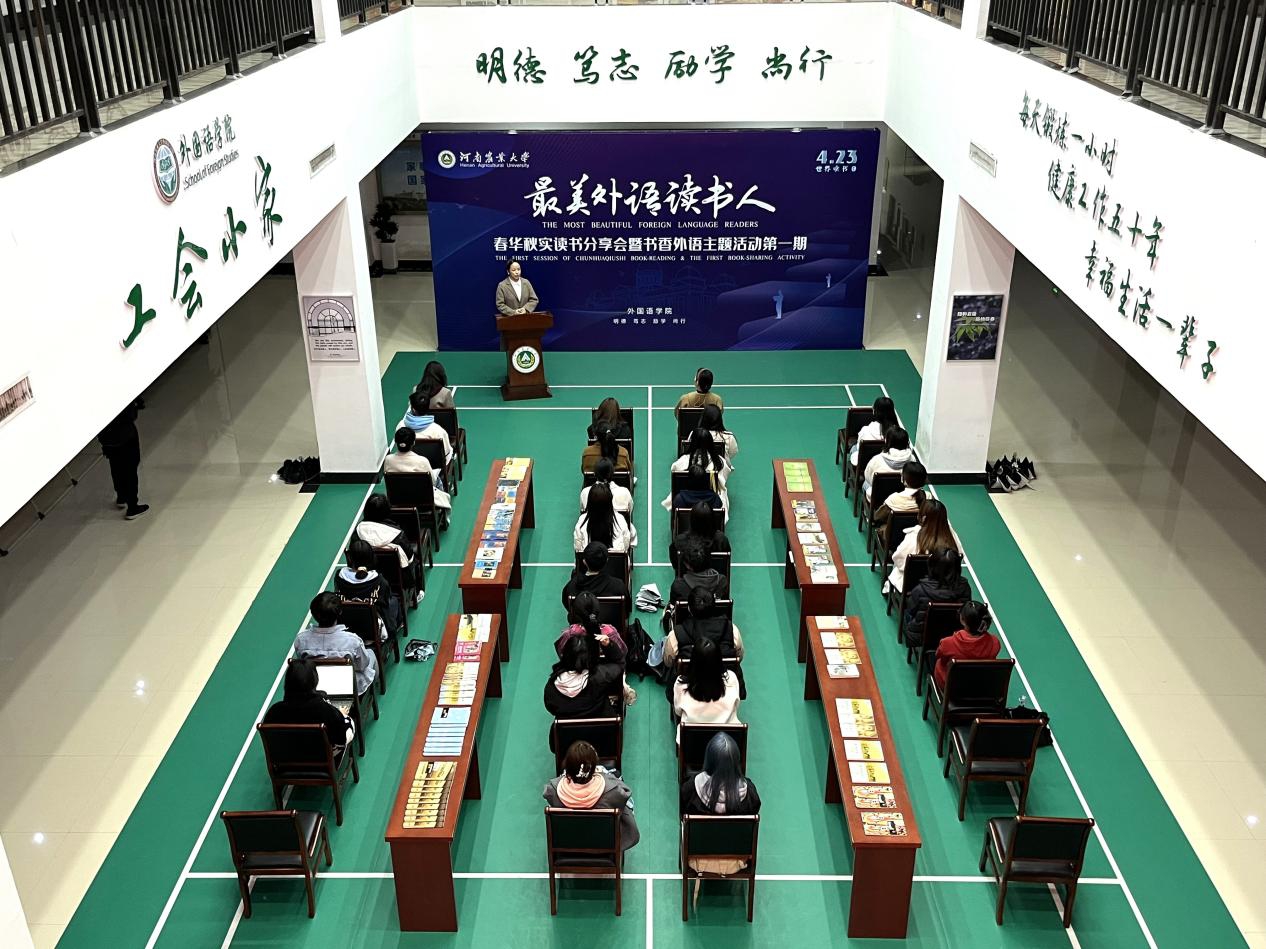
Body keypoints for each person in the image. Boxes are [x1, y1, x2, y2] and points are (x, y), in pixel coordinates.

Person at [543, 740, 640, 850]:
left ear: (567, 767)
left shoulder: (553, 790)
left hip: (569, 844)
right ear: (594, 768)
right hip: (605, 845)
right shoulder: (614, 791)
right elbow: (627, 807)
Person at [293, 592, 378, 696]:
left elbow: (303, 664)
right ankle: (370, 694)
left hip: (315, 685)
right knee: (370, 653)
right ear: (340, 612)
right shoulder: (353, 641)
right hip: (346, 686)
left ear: (313, 614)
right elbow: (362, 665)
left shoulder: (301, 639)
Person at [262, 658, 355, 751]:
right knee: (347, 723)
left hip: (285, 757)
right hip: (320, 756)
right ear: (314, 680)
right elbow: (341, 739)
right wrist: (342, 715)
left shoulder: (273, 712)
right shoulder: (325, 710)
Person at [355, 494, 424, 605]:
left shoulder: (357, 532)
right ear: (387, 511)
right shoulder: (397, 534)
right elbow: (409, 557)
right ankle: (417, 592)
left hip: (368, 578)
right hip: (396, 577)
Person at [903, 546, 971, 648]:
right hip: (953, 636)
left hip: (921, 637)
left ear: (932, 565)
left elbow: (911, 610)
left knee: (907, 612)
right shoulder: (965, 588)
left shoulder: (920, 590)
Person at [544, 635, 623, 721]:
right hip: (602, 726)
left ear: (565, 655)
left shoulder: (551, 686)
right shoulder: (600, 676)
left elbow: (551, 708)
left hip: (568, 729)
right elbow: (619, 665)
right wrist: (609, 646)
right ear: (590, 657)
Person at [335, 538, 400, 640]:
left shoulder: (339, 576)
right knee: (393, 601)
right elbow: (384, 606)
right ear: (371, 557)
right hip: (372, 633)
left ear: (349, 557)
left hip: (346, 630)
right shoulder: (380, 581)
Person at [889, 497, 958, 591]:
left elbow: (898, 559)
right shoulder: (951, 536)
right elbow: (958, 559)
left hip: (913, 587)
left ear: (923, 517)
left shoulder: (913, 537)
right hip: (946, 587)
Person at [672, 637, 740, 729]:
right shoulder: (731, 678)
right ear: (719, 660)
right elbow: (736, 704)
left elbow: (678, 711)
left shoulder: (681, 685)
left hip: (691, 737)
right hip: (727, 735)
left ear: (693, 661)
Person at [933, 601, 1002, 690]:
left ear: (963, 620)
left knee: (939, 662)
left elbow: (938, 656)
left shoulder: (947, 643)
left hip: (953, 688)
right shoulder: (995, 643)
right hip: (980, 687)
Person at [665, 587, 744, 665]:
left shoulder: (676, 635)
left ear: (689, 609)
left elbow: (668, 662)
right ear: (714, 606)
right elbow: (739, 657)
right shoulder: (732, 630)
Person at [98, 399, 148, 520]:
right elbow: (131, 415)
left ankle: (121, 496)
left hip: (107, 437)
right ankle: (132, 507)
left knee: (115, 465)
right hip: (124, 434)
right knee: (130, 468)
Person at [383, 427, 452, 511]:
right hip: (422, 500)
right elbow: (432, 482)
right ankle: (442, 510)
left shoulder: (388, 460)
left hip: (399, 499)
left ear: (396, 442)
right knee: (437, 480)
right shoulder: (422, 461)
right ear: (413, 442)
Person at [555, 592, 627, 665]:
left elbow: (562, 654)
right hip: (607, 670)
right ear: (598, 611)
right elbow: (622, 653)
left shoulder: (569, 634)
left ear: (575, 613)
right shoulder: (610, 632)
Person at [561, 541, 630, 611]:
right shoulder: (618, 586)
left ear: (584, 562)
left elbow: (569, 607)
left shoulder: (571, 586)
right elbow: (626, 609)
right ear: (607, 561)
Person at [873, 460, 928, 548]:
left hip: (893, 540)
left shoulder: (894, 498)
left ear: (904, 480)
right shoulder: (929, 497)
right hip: (919, 537)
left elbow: (877, 516)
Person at [668, 501, 730, 572]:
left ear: (691, 519)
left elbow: (676, 564)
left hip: (687, 578)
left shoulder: (679, 541)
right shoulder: (722, 540)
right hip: (716, 578)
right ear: (712, 519)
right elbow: (724, 564)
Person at [573, 482, 633, 553]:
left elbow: (578, 548)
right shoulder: (620, 520)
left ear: (589, 502)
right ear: (610, 502)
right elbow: (626, 546)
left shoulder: (582, 521)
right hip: (615, 560)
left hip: (588, 560)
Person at [401, 391, 454, 466]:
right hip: (433, 467)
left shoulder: (401, 427)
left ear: (413, 409)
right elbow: (446, 452)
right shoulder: (438, 430)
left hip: (408, 465)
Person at [863, 426, 913, 499]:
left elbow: (867, 477)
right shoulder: (912, 460)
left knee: (865, 484)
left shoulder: (877, 460)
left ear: (887, 441)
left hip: (879, 498)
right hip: (902, 498)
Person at [849, 396, 899, 467]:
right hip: (886, 464)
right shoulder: (898, 433)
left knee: (854, 448)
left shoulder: (866, 430)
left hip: (867, 464)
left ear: (875, 412)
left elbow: (859, 447)